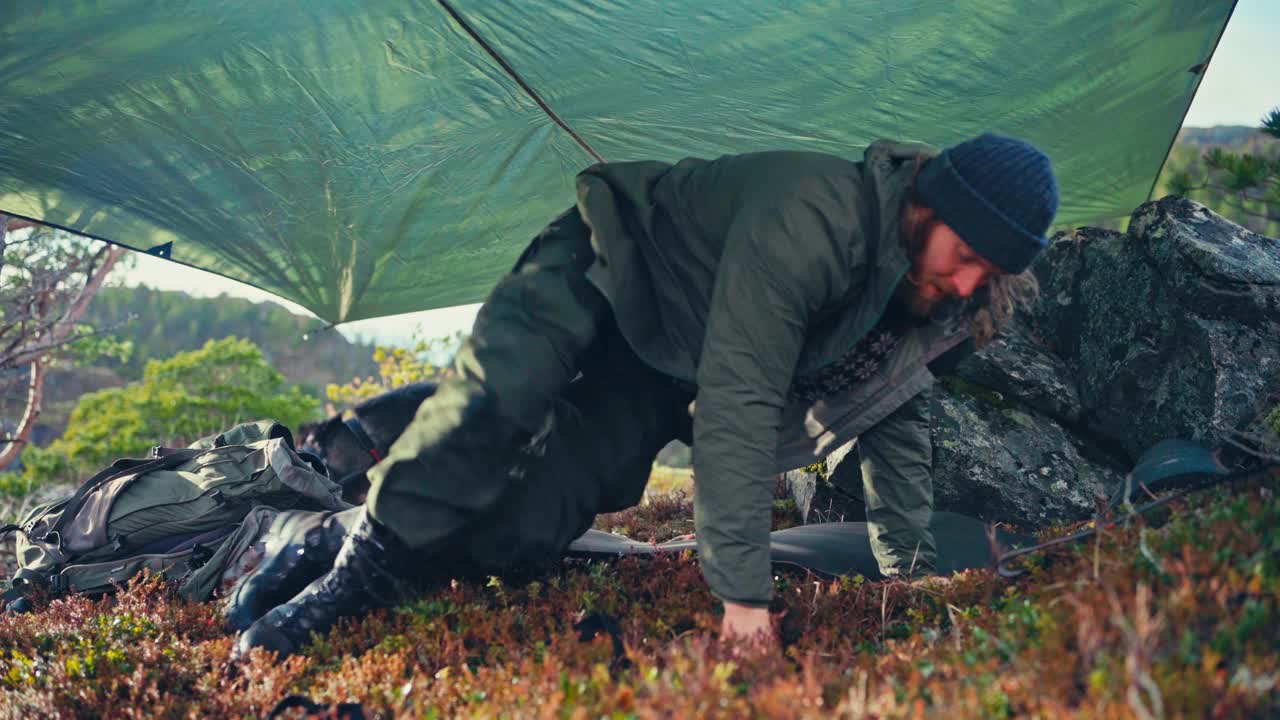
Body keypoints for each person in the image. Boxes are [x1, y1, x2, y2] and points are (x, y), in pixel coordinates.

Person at [234, 133, 1058, 657]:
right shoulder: (812, 217)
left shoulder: (933, 300)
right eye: (965, 255)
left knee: (530, 530)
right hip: (607, 265)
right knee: (498, 403)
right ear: (925, 206)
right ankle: (354, 578)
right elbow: (740, 398)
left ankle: (331, 537)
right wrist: (743, 600)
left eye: (989, 272)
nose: (967, 283)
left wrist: (909, 575)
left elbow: (894, 416)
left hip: (665, 365)